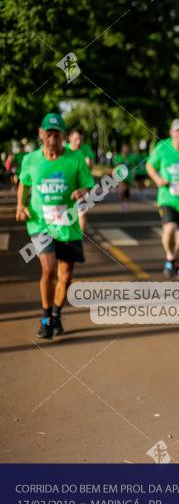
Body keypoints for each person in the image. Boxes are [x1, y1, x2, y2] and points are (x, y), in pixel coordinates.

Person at [16, 113, 95, 339]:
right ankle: (46, 317)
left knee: (66, 276)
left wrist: (83, 192)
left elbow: (88, 185)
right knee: (48, 268)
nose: (52, 139)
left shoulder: (75, 158)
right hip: (40, 223)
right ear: (41, 134)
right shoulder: (31, 159)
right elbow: (24, 183)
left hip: (68, 225)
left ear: (64, 136)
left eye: (57, 135)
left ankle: (57, 313)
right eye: (48, 134)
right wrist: (21, 206)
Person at [146, 118, 179, 280]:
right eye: (177, 131)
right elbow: (149, 165)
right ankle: (170, 256)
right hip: (167, 197)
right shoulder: (163, 147)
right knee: (169, 229)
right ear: (171, 132)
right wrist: (158, 180)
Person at [66, 128, 95, 232]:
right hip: (66, 185)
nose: (78, 142)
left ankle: (79, 238)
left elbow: (91, 166)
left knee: (81, 212)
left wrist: (88, 163)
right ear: (69, 138)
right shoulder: (64, 150)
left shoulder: (85, 149)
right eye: (76, 139)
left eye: (80, 140)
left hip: (81, 185)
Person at [113, 144, 135, 212]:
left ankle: (126, 204)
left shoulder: (130, 158)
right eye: (124, 149)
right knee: (122, 190)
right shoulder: (118, 157)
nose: (126, 151)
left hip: (128, 177)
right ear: (122, 150)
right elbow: (116, 166)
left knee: (127, 191)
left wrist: (133, 174)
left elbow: (132, 167)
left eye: (127, 149)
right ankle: (121, 203)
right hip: (121, 177)